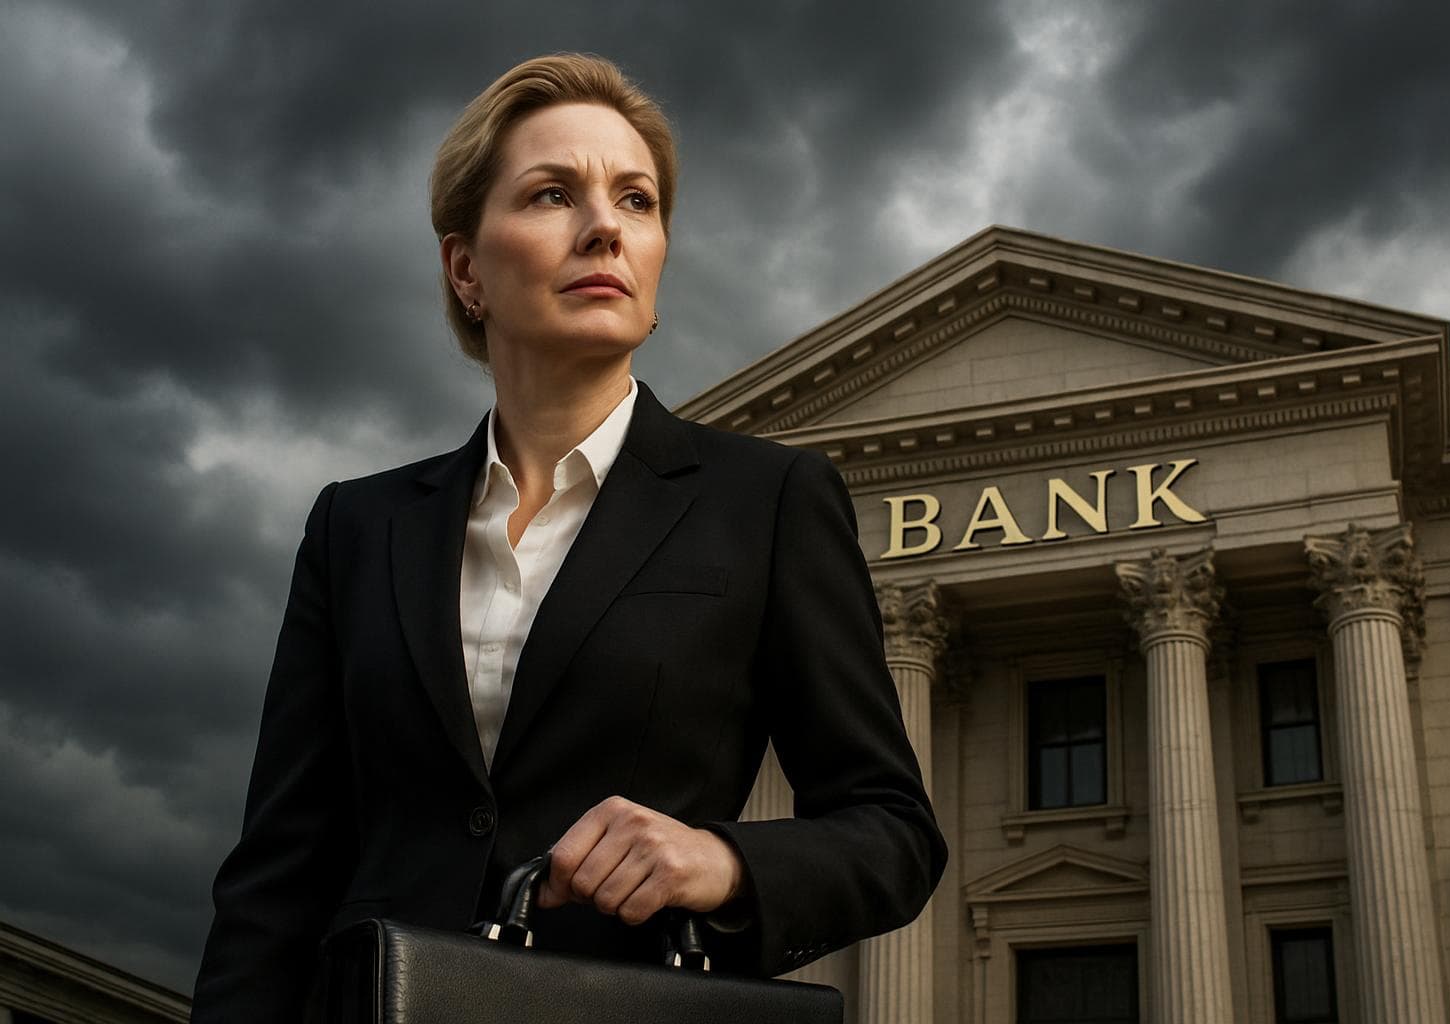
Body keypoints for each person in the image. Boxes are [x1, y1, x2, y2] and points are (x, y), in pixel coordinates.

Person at [190, 52, 945, 1020]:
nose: (605, 227)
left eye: (637, 200)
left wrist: (720, 861)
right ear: (466, 269)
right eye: (553, 194)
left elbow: (893, 832)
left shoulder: (769, 502)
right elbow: (276, 876)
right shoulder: (358, 525)